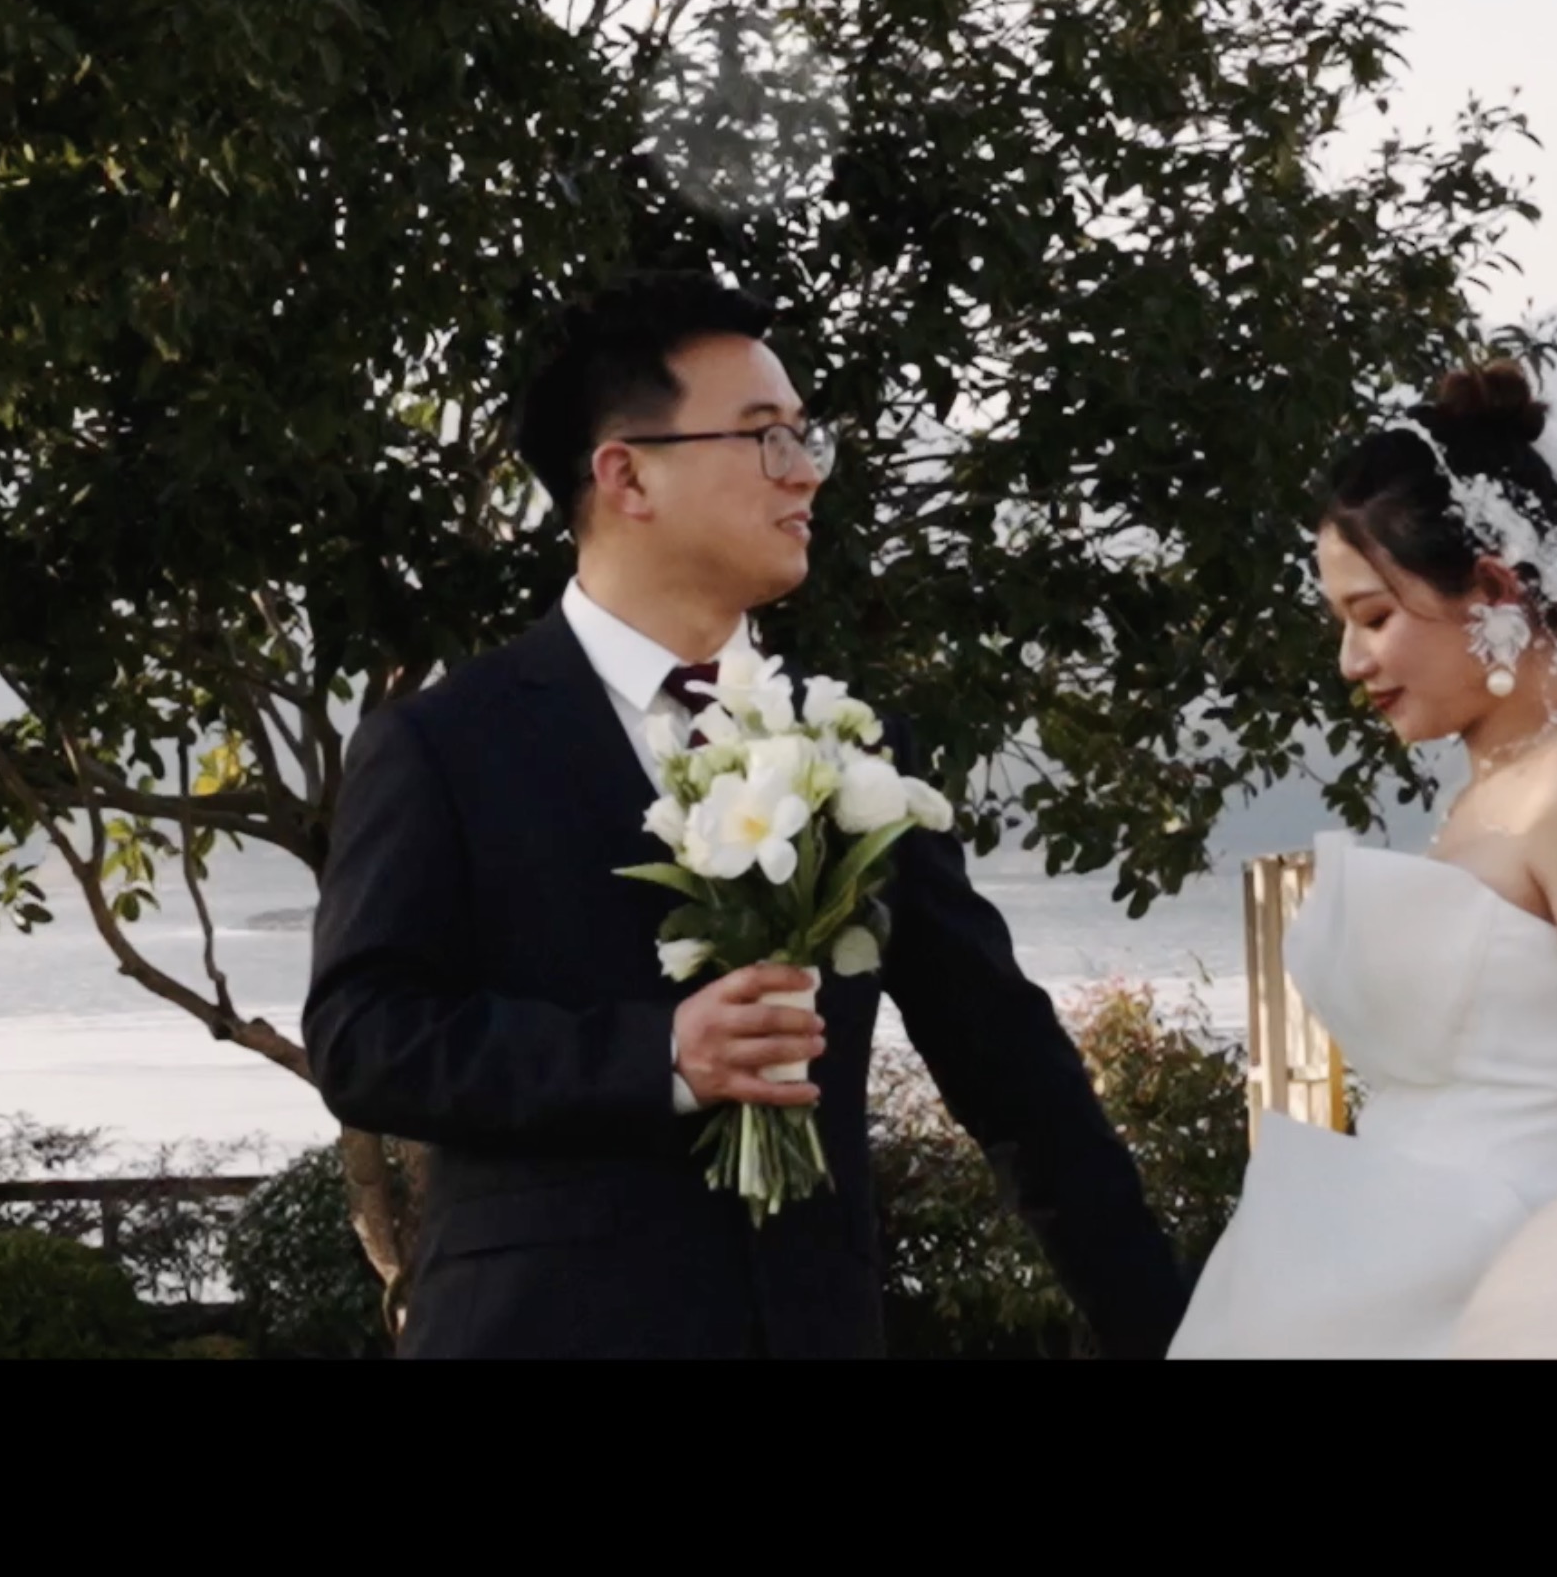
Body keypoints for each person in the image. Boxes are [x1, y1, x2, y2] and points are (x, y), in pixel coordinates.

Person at [304, 269, 1189, 1358]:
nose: (804, 470)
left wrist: (1172, 1331)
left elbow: (1013, 1072)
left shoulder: (854, 745)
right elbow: (366, 1038)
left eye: (805, 437)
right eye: (765, 435)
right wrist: (658, 1056)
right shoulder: (447, 743)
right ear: (627, 474)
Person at [1168, 359, 1557, 1358]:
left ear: (1492, 589)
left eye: (1374, 617)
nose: (1351, 662)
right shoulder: (1490, 789)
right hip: (1396, 1275)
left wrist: (1538, 1293)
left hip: (1509, 1289)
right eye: (1343, 625)